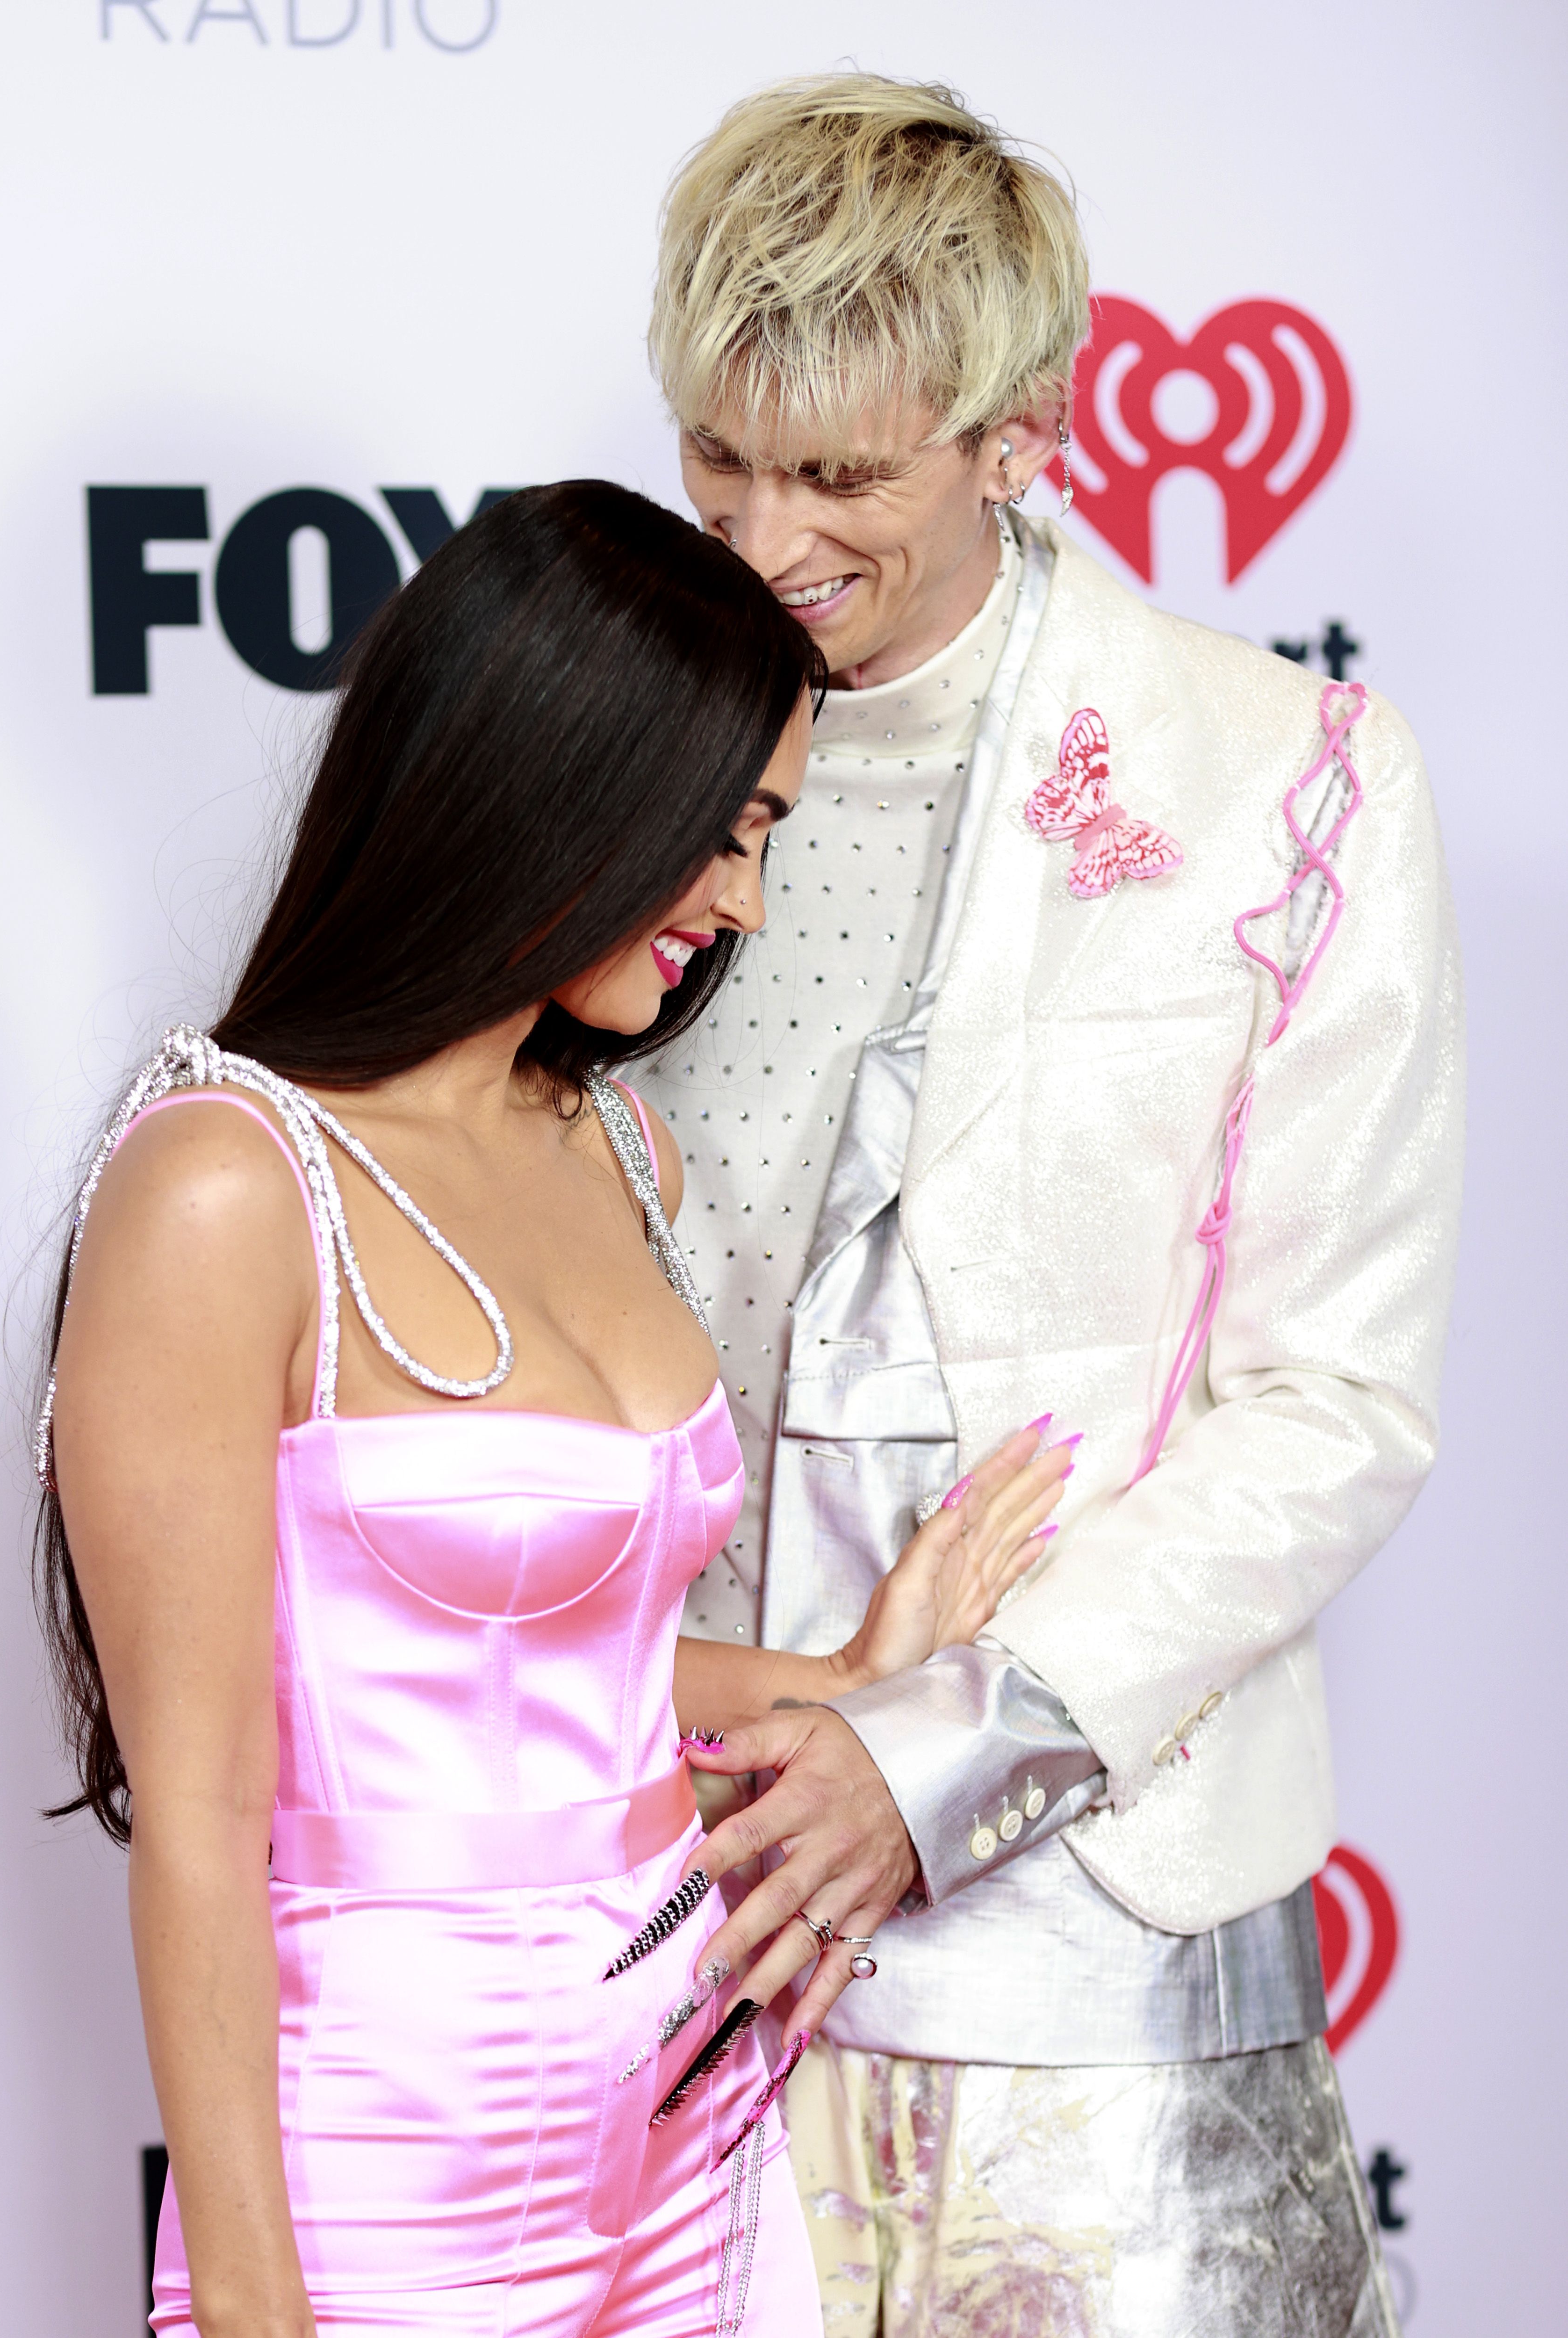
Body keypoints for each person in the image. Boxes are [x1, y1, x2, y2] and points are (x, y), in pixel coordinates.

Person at [32, 482, 1074, 2338]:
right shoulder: (225, 1182)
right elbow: (202, 1807)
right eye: (730, 830)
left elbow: (550, 1669)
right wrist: (259, 2305)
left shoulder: (607, 1140)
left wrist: (854, 1678)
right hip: (387, 2174)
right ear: (563, 777)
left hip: (689, 2117)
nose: (748, 899)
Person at [640, 76, 1463, 2338]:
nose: (756, 531)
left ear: (1018, 436)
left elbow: (1336, 1396)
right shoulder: (596, 757)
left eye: (835, 474)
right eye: (718, 454)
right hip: (654, 1896)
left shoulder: (1281, 772)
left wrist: (943, 1752)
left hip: (1100, 1937)